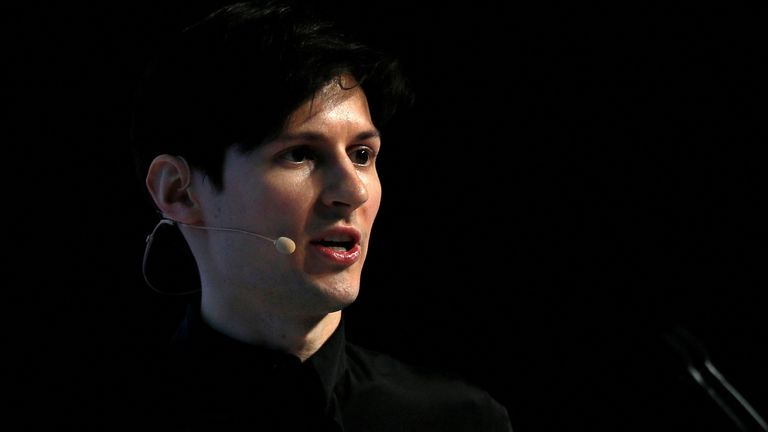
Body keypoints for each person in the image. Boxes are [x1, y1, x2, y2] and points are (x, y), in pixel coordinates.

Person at [129, 1, 513, 430]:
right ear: (179, 191)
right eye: (300, 154)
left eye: (362, 155)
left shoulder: (460, 420)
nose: (354, 190)